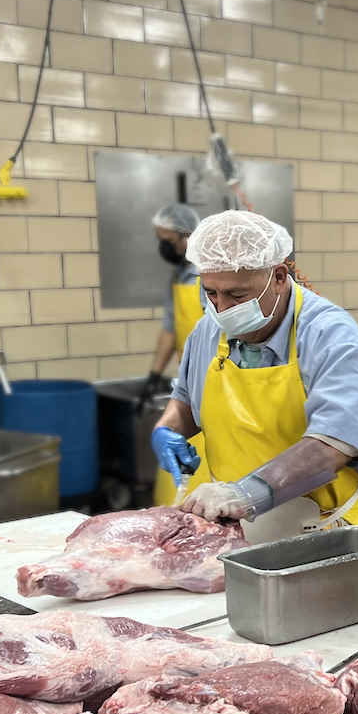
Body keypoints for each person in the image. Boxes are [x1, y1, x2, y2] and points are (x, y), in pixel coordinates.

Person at [148, 210, 358, 541]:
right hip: (239, 533)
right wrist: (166, 431)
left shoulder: (328, 333)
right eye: (211, 293)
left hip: (324, 531)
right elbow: (185, 399)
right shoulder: (207, 331)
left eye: (237, 295)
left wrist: (245, 494)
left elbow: (335, 443)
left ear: (280, 277)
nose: (222, 309)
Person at [145, 204, 206, 507]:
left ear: (188, 235)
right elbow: (171, 327)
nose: (163, 248)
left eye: (167, 241)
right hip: (188, 384)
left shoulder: (210, 276)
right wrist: (154, 374)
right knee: (175, 496)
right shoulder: (179, 275)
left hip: (215, 382)